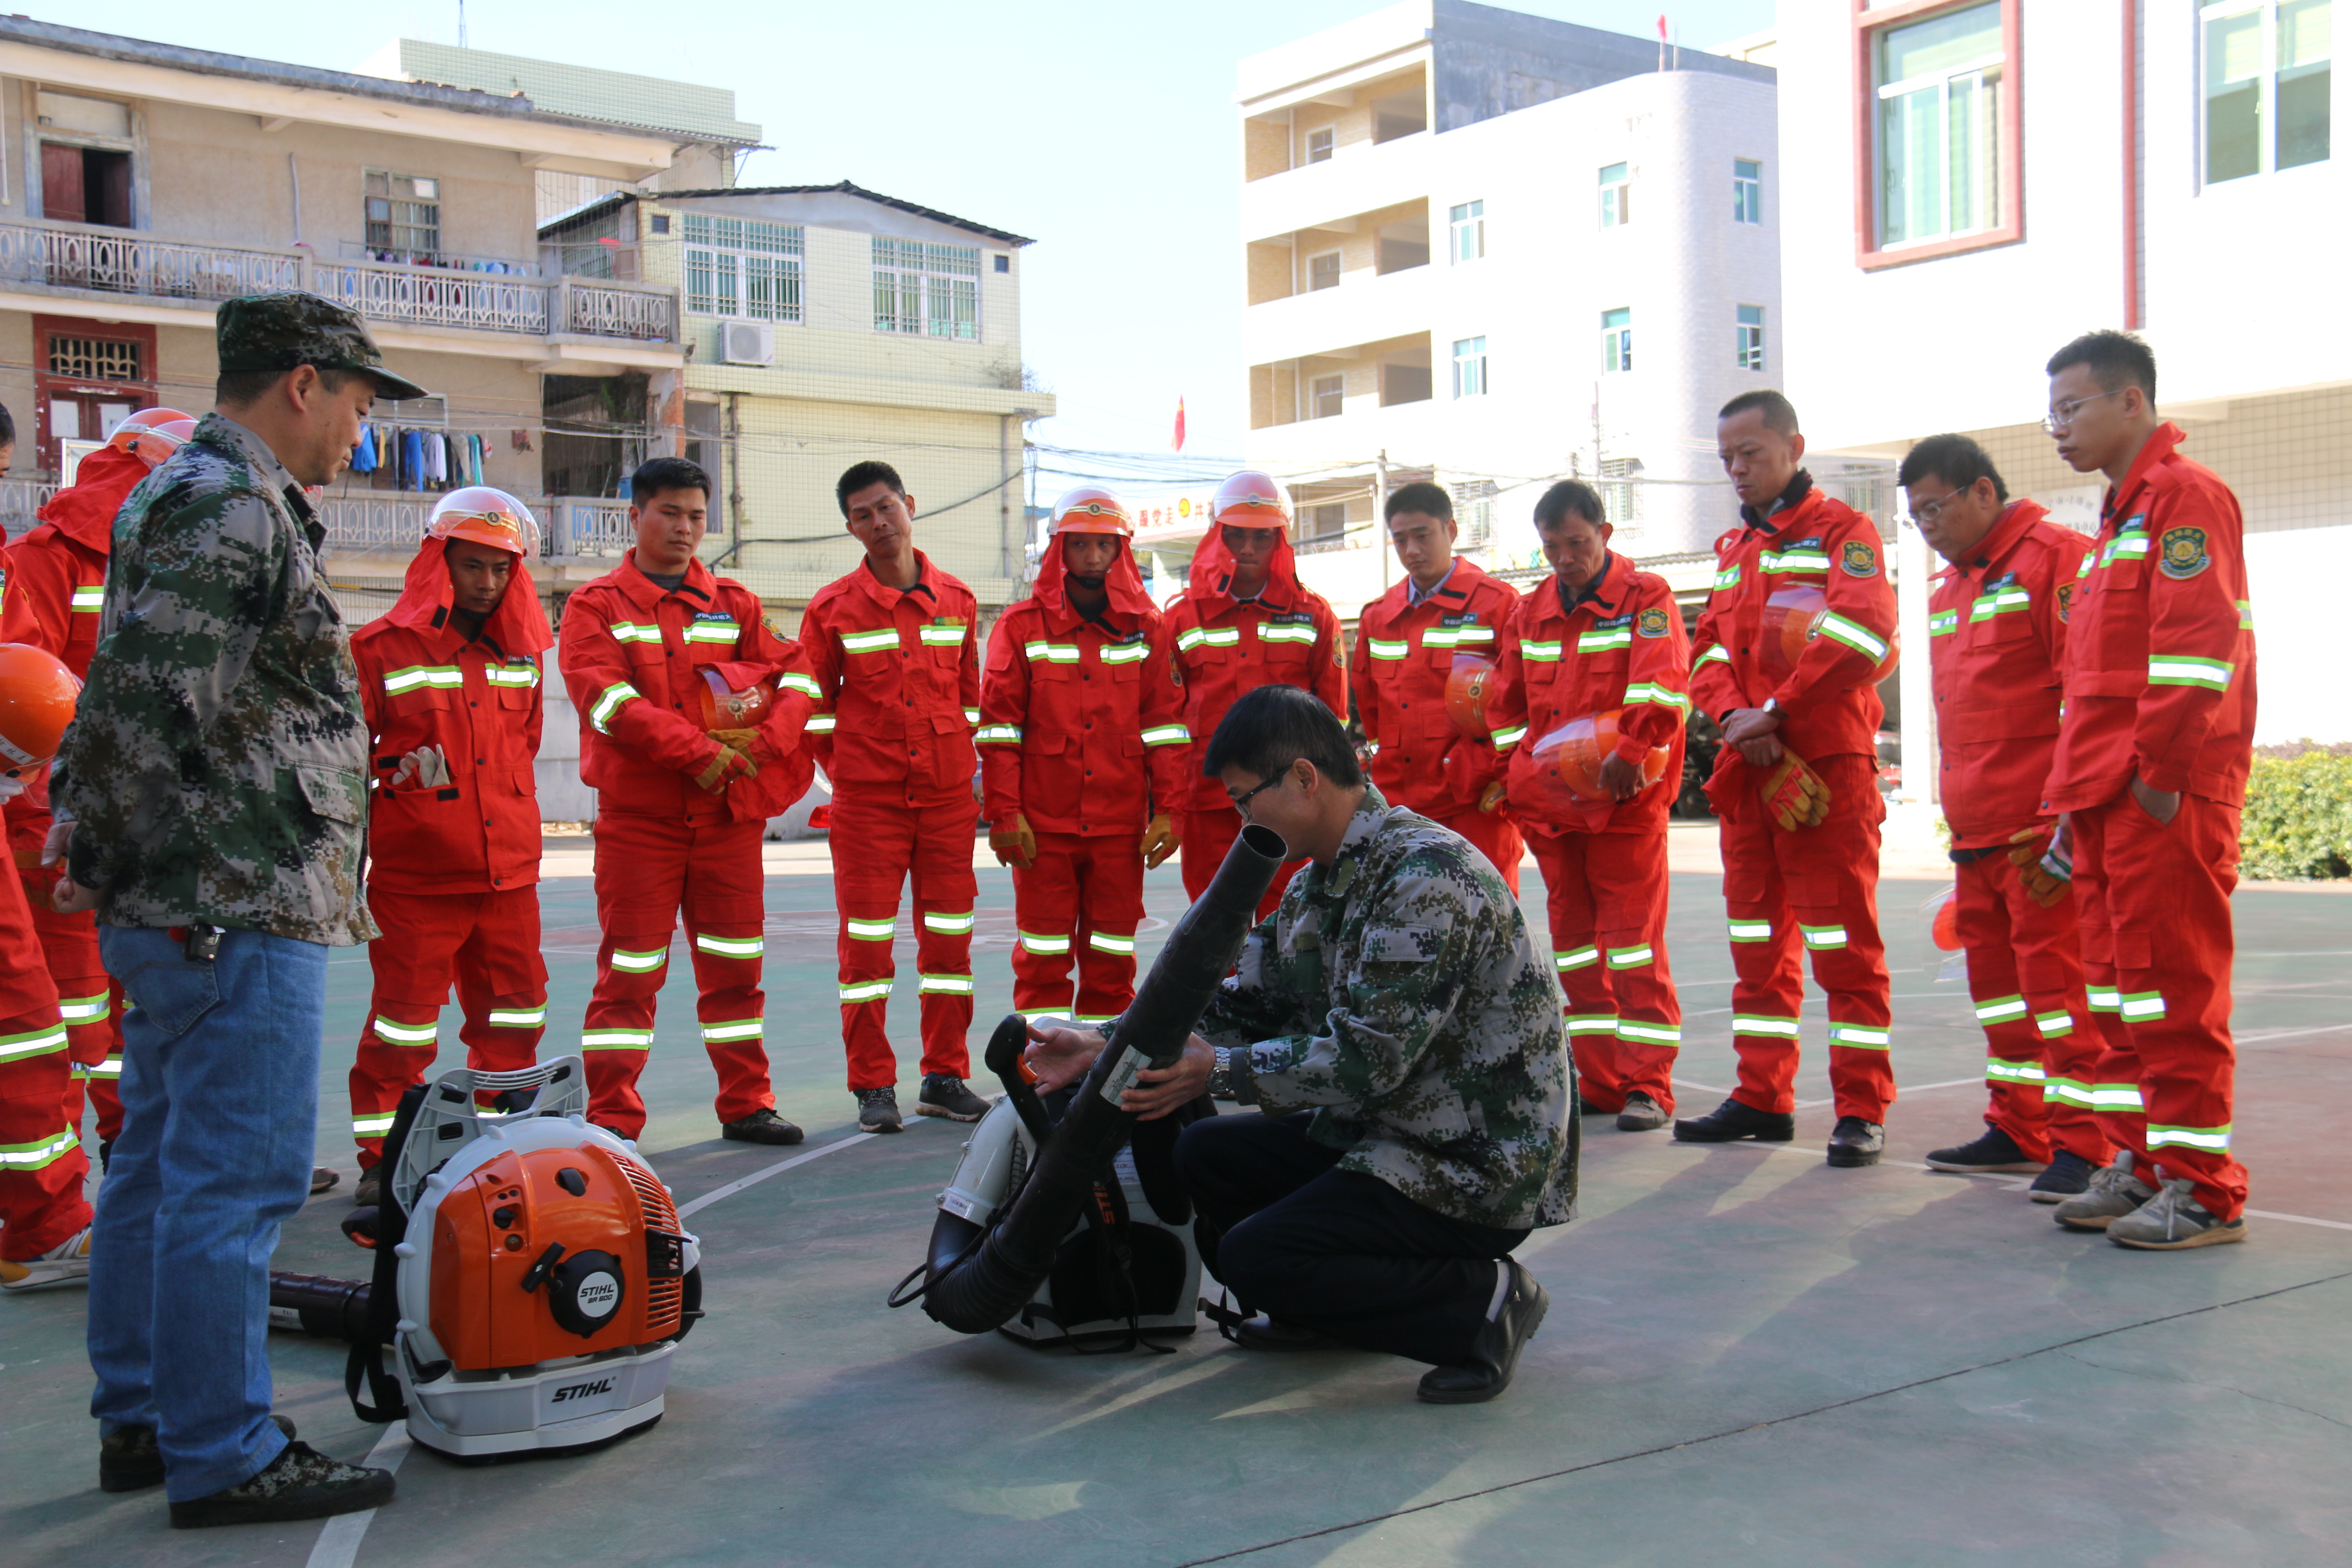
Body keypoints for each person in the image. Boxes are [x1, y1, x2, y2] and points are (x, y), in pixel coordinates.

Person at [52, 292, 408, 1524]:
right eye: (361, 405)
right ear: (302, 384)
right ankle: (225, 1450)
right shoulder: (231, 505)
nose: (362, 435)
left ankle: (149, 1418)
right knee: (233, 1184)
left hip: (194, 893)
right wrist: (99, 850)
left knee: (156, 1169)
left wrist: (107, 860)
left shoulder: (202, 495)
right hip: (232, 894)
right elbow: (147, 707)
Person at [1025, 685, 1571, 1404]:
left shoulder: (1423, 876)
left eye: (1245, 798)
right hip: (1393, 1133)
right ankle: (1326, 1311)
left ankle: (1483, 1304)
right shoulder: (1322, 882)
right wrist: (1100, 1043)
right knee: (1204, 1157)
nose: (1242, 818)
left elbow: (1366, 1058)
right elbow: (1243, 1002)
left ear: (1305, 779)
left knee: (1258, 1255)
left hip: (1473, 1161)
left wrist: (1213, 1073)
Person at [2038, 330, 2255, 1250]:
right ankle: (2140, 1164)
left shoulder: (2186, 501)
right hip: (2102, 798)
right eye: (2051, 411)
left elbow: (2201, 648)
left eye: (2072, 406)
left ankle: (2204, 1189)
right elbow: (2094, 679)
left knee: (2174, 992)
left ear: (2133, 403)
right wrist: (2069, 808)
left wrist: (2164, 778)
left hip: (2158, 795)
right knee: (2121, 999)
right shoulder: (2115, 524)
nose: (2057, 426)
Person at [557, 456, 815, 1148]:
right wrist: (701, 754)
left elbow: (799, 678)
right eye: (669, 513)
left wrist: (765, 746)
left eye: (696, 516)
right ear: (636, 515)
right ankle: (612, 1118)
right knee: (630, 976)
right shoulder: (595, 607)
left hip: (728, 821)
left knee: (736, 970)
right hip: (641, 825)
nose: (684, 528)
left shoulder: (735, 604)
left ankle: (746, 1103)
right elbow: (608, 701)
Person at [1679, 389, 1899, 1167]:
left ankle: (1859, 1107)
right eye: (1727, 459)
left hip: (1825, 766)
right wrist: (1740, 718)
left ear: (1793, 446)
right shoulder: (1734, 550)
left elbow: (1860, 631)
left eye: (1752, 454)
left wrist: (1774, 710)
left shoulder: (1846, 532)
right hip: (1751, 772)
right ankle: (1761, 1096)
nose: (1738, 469)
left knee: (1842, 944)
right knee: (1756, 944)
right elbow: (1703, 651)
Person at [1901, 435, 2109, 1202]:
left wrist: (2063, 817)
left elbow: (2081, 696)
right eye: (1914, 511)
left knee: (2060, 993)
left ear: (1982, 492)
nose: (1924, 522)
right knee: (1999, 995)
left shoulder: (2055, 559)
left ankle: (2085, 1143)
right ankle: (2017, 1123)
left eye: (1935, 506)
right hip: (1976, 834)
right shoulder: (1949, 588)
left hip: (2035, 836)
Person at [346, 489, 554, 1207]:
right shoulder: (378, 650)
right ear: (439, 561)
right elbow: (350, 762)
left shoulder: (523, 654)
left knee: (515, 1015)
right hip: (417, 881)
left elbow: (518, 750)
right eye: (472, 565)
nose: (488, 582)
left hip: (509, 877)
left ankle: (501, 1145)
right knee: (401, 1026)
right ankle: (384, 1159)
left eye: (502, 568)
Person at [1, 409, 186, 1182]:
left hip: (144, 826)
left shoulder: (168, 564)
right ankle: (102, 1170)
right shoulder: (48, 562)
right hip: (60, 826)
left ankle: (150, 1152)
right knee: (75, 1012)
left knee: (141, 1006)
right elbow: (22, 695)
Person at [1485, 480, 1690, 1133]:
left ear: (1605, 534)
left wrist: (1632, 749)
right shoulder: (1531, 610)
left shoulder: (1646, 598)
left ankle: (1648, 1086)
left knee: (1632, 947)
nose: (1566, 558)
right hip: (1553, 814)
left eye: (1578, 543)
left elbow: (1662, 684)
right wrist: (1511, 772)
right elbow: (1506, 705)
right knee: (1575, 950)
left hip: (1624, 806)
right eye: (1553, 548)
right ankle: (1601, 1081)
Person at [800, 461, 989, 1133]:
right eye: (862, 515)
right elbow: (813, 711)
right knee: (867, 949)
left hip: (944, 806)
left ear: (910, 504)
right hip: (869, 808)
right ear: (849, 526)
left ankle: (945, 1075)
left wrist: (961, 774)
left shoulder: (959, 602)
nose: (879, 523)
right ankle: (873, 1086)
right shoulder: (831, 611)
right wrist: (851, 771)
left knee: (949, 945)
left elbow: (972, 701)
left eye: (886, 508)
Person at [978, 486, 1190, 1023]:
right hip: (1042, 828)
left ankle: (1096, 1073)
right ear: (1058, 549)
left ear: (1123, 551)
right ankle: (1045, 1069)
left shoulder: (1147, 628)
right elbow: (1001, 730)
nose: (1093, 558)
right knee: (1043, 959)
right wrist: (1004, 813)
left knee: (1112, 959)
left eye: (1105, 545)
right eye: (1079, 545)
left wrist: (1171, 809)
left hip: (1121, 827)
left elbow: (1164, 725)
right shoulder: (1021, 627)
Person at [1161, 470, 1345, 922]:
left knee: (1291, 920)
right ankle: (1223, 996)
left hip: (1291, 801)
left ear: (1280, 540)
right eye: (1236, 535)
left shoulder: (1314, 615)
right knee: (1212, 923)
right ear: (1216, 536)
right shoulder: (1182, 618)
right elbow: (1165, 718)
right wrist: (1167, 805)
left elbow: (1332, 719)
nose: (1247, 549)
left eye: (1261, 538)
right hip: (1208, 801)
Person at [1349, 481, 1524, 891]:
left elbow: (1521, 702)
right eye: (1400, 539)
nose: (1412, 550)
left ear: (1452, 530)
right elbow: (1371, 710)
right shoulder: (1379, 617)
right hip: (1401, 804)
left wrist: (1503, 775)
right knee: (1410, 923)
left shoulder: (1497, 605)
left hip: (1473, 800)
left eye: (1422, 535)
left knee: (1488, 924)